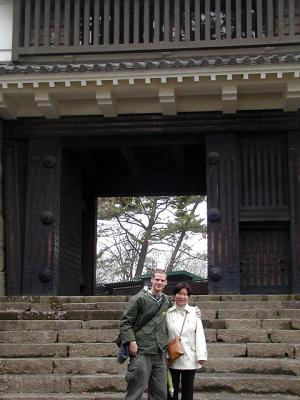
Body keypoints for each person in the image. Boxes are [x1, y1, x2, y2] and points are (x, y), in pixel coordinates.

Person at [119, 269, 170, 400]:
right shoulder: (138, 298)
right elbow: (125, 323)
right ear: (152, 280)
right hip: (142, 350)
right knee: (136, 389)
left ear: (166, 282)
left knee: (160, 393)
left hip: (160, 352)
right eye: (157, 279)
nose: (159, 282)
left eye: (162, 280)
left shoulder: (166, 301)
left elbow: (180, 307)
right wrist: (131, 341)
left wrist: (195, 310)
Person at [166, 282, 207, 400]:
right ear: (174, 296)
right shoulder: (168, 313)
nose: (182, 297)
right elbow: (164, 334)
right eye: (179, 293)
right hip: (172, 357)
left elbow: (199, 334)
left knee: (188, 390)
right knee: (171, 390)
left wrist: (201, 355)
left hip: (189, 356)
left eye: (185, 294)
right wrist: (165, 355)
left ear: (188, 297)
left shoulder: (194, 312)